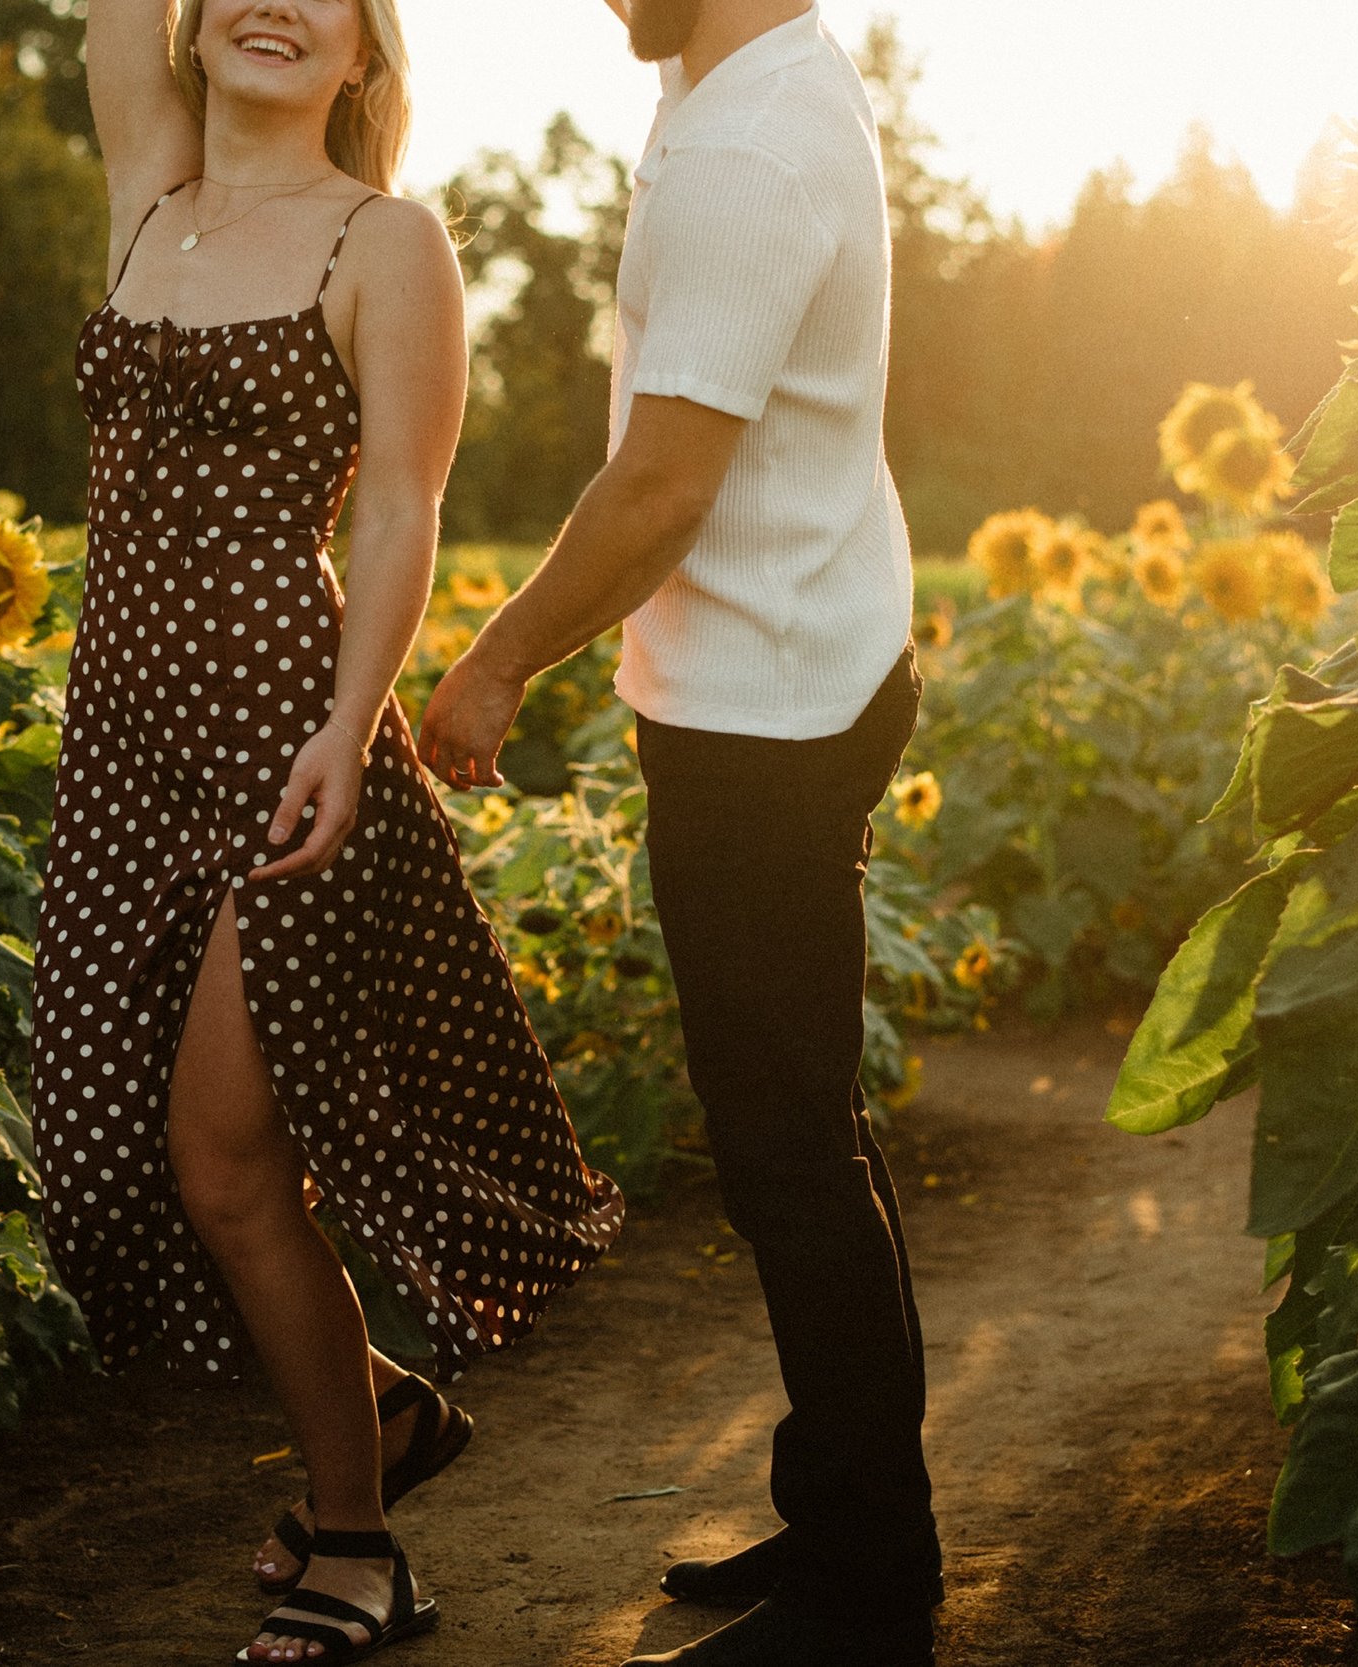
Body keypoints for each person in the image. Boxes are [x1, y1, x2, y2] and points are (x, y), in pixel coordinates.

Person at [37, 2, 625, 1660]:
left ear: (366, 58)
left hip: (288, 745)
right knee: (92, 1152)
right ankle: (380, 1407)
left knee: (227, 1165)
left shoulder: (390, 241)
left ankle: (359, 1544)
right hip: (127, 752)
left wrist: (350, 733)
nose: (276, 4)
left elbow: (399, 504)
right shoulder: (148, 191)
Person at [417, 0, 941, 1662]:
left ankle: (871, 1583)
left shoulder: (746, 143)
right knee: (807, 1137)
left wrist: (493, 667)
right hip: (798, 665)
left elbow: (659, 486)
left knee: (788, 1151)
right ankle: (847, 1520)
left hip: (768, 715)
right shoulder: (743, 89)